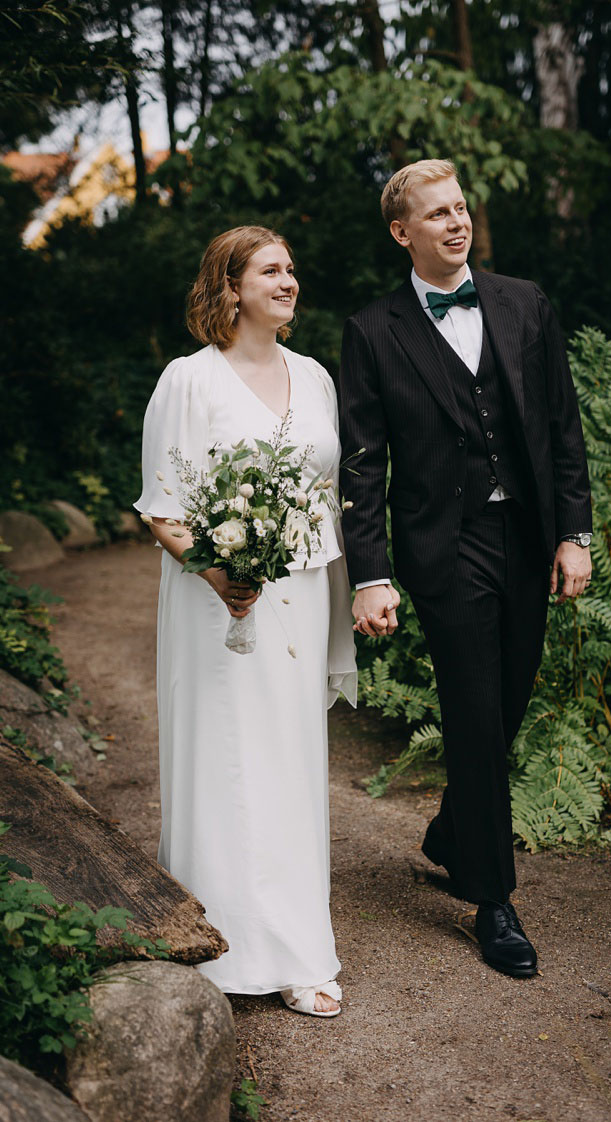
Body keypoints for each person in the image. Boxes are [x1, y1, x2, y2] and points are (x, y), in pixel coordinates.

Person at [337, 159, 593, 979]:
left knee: (509, 694)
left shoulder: (524, 303)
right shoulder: (373, 330)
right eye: (435, 214)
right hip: (443, 546)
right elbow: (362, 459)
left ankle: (454, 829)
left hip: (526, 532)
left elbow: (561, 427)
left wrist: (574, 532)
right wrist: (370, 572)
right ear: (400, 231)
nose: (455, 223)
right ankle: (492, 898)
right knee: (476, 709)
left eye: (460, 208)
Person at [135, 226, 357, 1017]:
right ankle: (216, 946)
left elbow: (332, 495)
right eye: (271, 270)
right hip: (215, 601)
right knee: (225, 761)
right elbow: (162, 502)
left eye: (293, 268)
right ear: (230, 288)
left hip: (298, 596)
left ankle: (298, 952)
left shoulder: (318, 379)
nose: (289, 280)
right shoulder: (188, 381)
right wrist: (222, 571)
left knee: (291, 766)